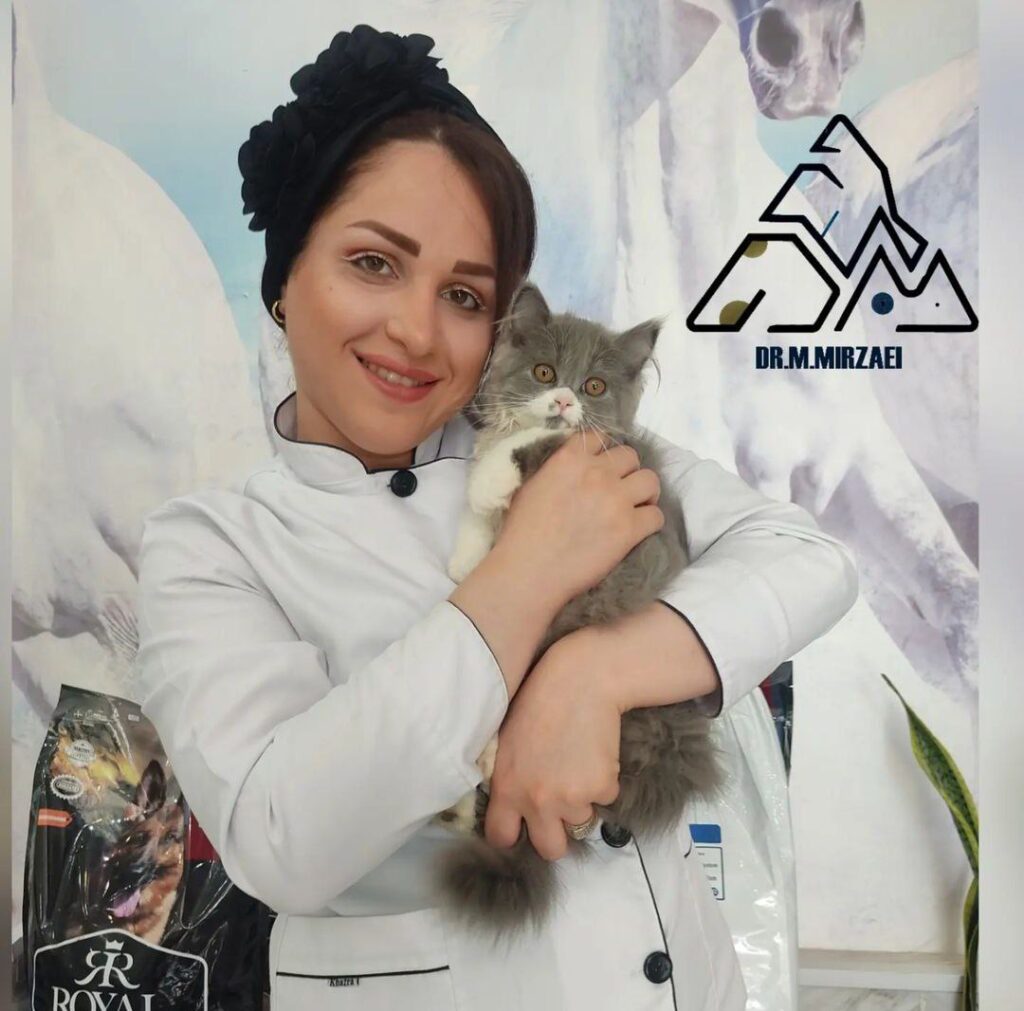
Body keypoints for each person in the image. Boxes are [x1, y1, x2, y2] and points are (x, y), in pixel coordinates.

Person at [135, 24, 858, 1011]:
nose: (416, 331)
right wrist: (524, 573)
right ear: (283, 276)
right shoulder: (211, 546)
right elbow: (280, 840)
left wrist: (592, 673)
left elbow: (806, 558)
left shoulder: (560, 442)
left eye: (465, 295)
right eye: (373, 263)